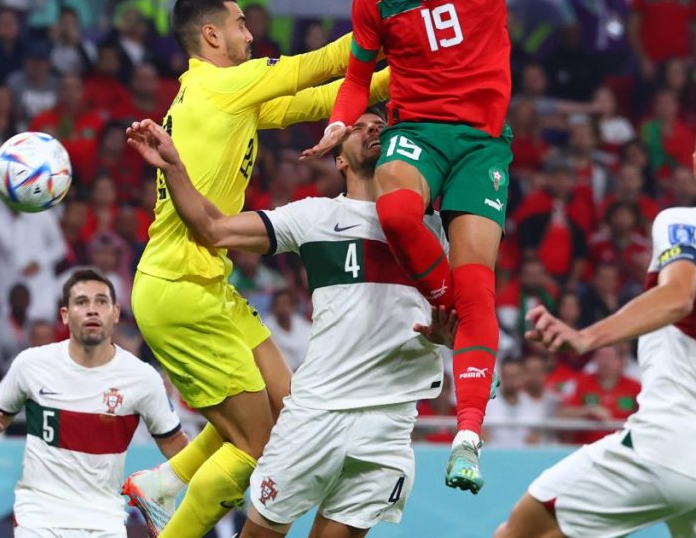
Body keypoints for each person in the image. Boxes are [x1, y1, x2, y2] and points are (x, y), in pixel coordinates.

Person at [302, 0, 696, 493]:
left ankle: (468, 437)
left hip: (482, 144)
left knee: (480, 284)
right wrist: (340, 123)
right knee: (396, 216)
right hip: (417, 130)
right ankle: (458, 317)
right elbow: (356, 78)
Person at [122, 0, 391, 538]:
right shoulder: (223, 85)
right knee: (257, 444)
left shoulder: (224, 94)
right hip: (179, 288)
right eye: (241, 25)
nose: (250, 35)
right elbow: (319, 64)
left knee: (285, 404)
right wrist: (396, 30)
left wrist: (405, 79)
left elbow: (318, 101)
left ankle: (165, 482)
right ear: (212, 35)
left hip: (206, 282)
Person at [126, 108, 455, 537]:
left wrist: (450, 335)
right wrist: (174, 167)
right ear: (340, 159)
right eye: (358, 127)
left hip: (391, 423)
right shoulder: (314, 217)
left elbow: (470, 315)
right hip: (316, 414)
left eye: (380, 125)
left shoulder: (434, 229)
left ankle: (166, 483)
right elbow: (215, 229)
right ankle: (167, 484)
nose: (374, 128)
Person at [496, 106, 696, 537]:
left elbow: (678, 296)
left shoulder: (685, 222)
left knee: (523, 533)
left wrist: (587, 336)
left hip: (665, 449)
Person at [0, 269, 188, 537]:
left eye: (101, 301)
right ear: (65, 315)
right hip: (39, 520)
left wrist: (218, 474)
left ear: (116, 313)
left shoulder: (142, 377)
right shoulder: (31, 364)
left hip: (104, 522)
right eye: (82, 302)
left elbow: (174, 445)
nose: (92, 310)